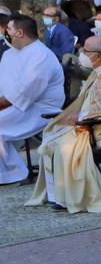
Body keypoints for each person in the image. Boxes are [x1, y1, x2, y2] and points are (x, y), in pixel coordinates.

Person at [24, 35, 101, 212]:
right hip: (93, 124)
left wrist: (81, 118)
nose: (81, 53)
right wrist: (77, 115)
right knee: (50, 140)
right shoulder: (100, 72)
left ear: (98, 56)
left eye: (86, 51)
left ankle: (71, 197)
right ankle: (57, 196)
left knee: (64, 146)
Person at [0, 15, 66, 184]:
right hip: (13, 105)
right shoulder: (9, 54)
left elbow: (27, 91)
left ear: (19, 32)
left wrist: (4, 103)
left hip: (38, 108)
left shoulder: (41, 55)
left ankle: (13, 172)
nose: (4, 33)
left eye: (8, 30)